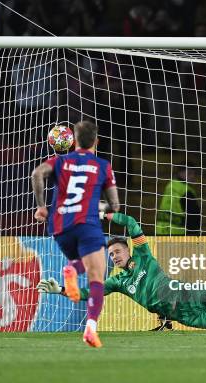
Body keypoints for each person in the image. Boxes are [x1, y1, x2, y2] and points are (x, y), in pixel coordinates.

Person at [38, 212, 206, 330]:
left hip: (189, 294)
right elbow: (89, 293)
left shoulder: (143, 254)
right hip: (184, 315)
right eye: (111, 255)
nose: (114, 256)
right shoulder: (117, 281)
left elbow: (131, 223)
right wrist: (63, 290)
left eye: (117, 251)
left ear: (128, 250)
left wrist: (106, 216)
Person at [31, 120, 120, 348]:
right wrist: (103, 207)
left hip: (59, 226)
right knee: (96, 275)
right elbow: (115, 205)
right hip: (86, 225)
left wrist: (41, 206)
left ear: (74, 141)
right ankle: (90, 327)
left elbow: (37, 173)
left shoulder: (61, 160)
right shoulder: (102, 165)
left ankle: (72, 266)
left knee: (80, 260)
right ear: (96, 141)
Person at [155, 165, 200, 235]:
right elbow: (193, 217)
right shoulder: (186, 190)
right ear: (180, 173)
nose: (192, 176)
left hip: (161, 231)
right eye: (189, 173)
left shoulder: (169, 185)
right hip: (178, 234)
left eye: (194, 174)